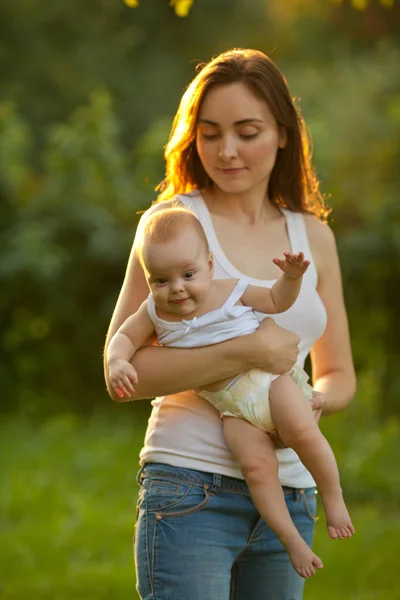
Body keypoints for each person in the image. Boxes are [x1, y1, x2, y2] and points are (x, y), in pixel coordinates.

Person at [104, 48, 356, 599]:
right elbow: (128, 373)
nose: (227, 151)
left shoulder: (312, 237)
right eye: (211, 132)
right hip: (190, 488)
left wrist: (314, 402)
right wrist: (250, 352)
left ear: (283, 133)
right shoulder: (171, 229)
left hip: (291, 491)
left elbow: (337, 372)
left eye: (247, 132)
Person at [106, 207, 354, 577]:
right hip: (232, 409)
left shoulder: (229, 290)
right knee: (257, 469)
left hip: (269, 383)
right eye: (160, 280)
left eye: (188, 274)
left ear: (208, 264)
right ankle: (291, 539)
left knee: (302, 432)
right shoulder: (153, 314)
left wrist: (290, 278)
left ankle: (333, 498)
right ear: (149, 279)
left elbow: (275, 301)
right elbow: (123, 338)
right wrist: (117, 362)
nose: (177, 288)